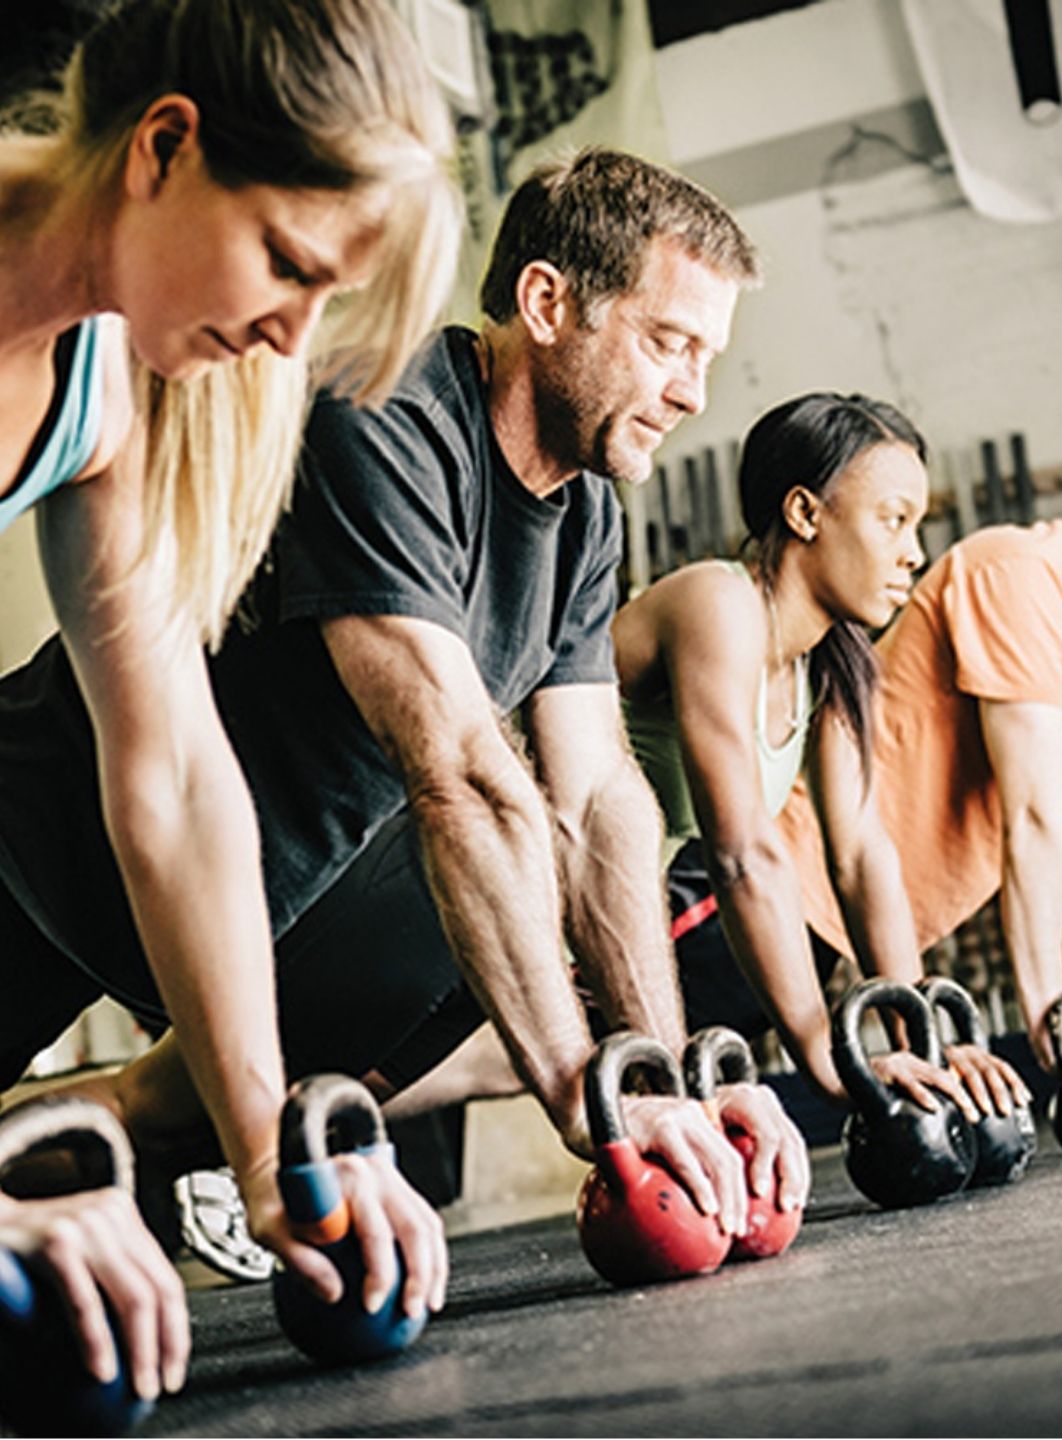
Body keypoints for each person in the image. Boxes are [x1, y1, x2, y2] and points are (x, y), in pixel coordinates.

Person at [0, 147, 809, 1251]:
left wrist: (655, 1077)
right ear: (546, 302)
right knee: (484, 837)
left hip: (240, 908)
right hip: (49, 851)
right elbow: (459, 768)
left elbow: (594, 798)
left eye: (707, 357)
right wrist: (584, 1092)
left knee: (482, 924)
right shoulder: (380, 408)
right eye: (669, 343)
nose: (693, 392)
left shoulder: (586, 516)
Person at [0, 0, 458, 1391]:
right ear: (164, 147)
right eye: (284, 262)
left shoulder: (100, 386)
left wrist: (267, 1143)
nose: (288, 337)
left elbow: (175, 781)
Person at [614, 392, 1028, 1118]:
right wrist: (829, 1057)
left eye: (918, 525)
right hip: (455, 891)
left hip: (577, 931)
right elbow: (741, 853)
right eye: (893, 520)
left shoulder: (833, 668)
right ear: (806, 514)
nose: (915, 552)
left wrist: (922, 1035)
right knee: (368, 1073)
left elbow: (863, 859)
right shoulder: (718, 605)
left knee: (386, 1085)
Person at [777, 512, 1062, 1079]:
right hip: (771, 884)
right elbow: (1035, 818)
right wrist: (1052, 1031)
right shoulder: (1019, 574)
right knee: (618, 1062)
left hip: (836, 917)